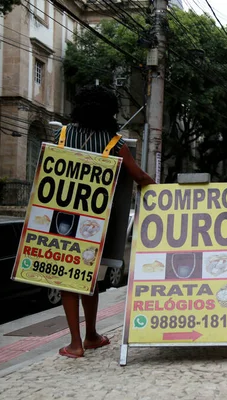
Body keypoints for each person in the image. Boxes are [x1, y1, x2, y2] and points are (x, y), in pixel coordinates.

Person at [54, 85, 155, 358]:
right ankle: (91, 336)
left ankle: (75, 343)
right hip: (95, 224)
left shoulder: (61, 135)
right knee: (88, 279)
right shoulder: (115, 143)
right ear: (110, 111)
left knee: (67, 281)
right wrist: (164, 194)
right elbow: (140, 177)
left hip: (61, 220)